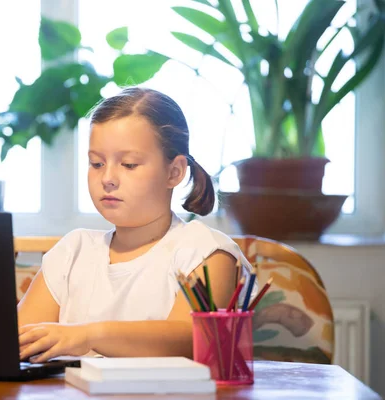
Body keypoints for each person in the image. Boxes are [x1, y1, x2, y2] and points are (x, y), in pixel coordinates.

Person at [17, 87, 256, 363]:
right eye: (96, 163)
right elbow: (19, 340)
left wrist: (87, 336)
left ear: (174, 172)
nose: (107, 177)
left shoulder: (205, 252)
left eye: (128, 164)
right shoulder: (73, 251)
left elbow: (192, 337)